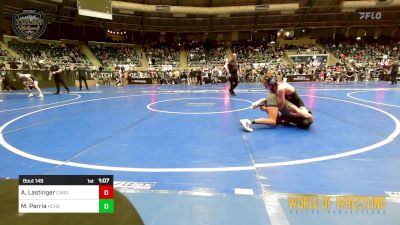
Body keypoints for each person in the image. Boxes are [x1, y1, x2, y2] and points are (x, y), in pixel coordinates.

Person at [240, 93, 313, 132]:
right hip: (290, 111)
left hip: (288, 114)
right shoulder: (298, 112)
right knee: (273, 121)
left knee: (275, 121)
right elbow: (301, 112)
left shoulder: (296, 120)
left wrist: (264, 108)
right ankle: (249, 121)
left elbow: (287, 119)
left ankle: (264, 104)